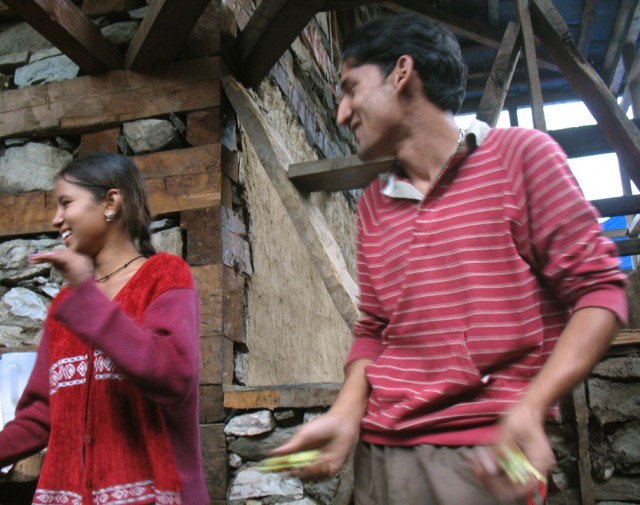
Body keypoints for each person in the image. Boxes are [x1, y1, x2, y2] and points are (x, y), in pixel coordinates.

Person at [273, 13, 628, 505]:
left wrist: (533, 405)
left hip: (486, 457)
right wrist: (345, 414)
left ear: (401, 73)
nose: (341, 113)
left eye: (351, 89)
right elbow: (374, 329)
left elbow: (599, 292)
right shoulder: (374, 204)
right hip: (379, 456)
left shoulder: (519, 156)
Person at [0, 153, 209, 504]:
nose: (56, 219)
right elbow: (39, 415)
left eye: (66, 203)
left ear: (111, 202)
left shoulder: (165, 276)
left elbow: (174, 374)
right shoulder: (65, 307)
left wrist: (87, 295)